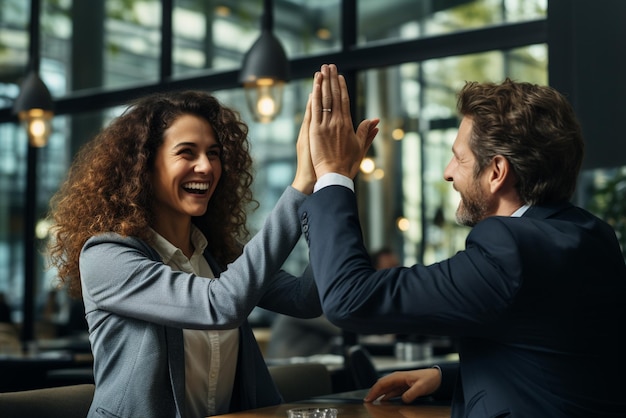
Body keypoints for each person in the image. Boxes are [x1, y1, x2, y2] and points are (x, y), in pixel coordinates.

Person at [299, 64, 626, 417]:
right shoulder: (592, 234)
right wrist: (446, 376)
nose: (448, 172)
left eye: (459, 157)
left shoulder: (509, 250)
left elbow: (349, 298)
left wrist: (333, 176)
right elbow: (565, 361)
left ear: (497, 172)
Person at [46, 90, 323, 417]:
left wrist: (332, 188)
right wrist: (302, 184)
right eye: (187, 153)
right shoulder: (107, 256)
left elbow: (306, 299)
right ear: (144, 166)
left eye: (214, 153)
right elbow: (221, 304)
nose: (206, 167)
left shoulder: (215, 255)